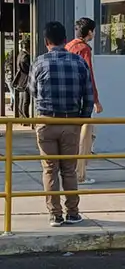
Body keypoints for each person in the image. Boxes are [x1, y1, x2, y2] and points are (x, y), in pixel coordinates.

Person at [29, 21, 94, 227]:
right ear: (65, 40)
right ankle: (72, 213)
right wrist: (82, 119)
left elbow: (32, 91)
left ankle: (55, 215)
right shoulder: (79, 62)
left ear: (46, 41)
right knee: (69, 169)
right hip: (71, 121)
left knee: (50, 169)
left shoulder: (39, 63)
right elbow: (88, 95)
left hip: (46, 121)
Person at [66, 18, 101, 186]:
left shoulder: (68, 47)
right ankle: (80, 175)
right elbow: (89, 76)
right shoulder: (84, 49)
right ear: (90, 32)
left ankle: (69, 173)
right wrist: (96, 100)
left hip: (68, 100)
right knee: (85, 138)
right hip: (81, 101)